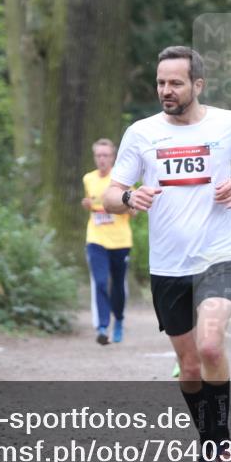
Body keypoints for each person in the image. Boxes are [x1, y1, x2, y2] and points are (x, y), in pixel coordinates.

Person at [103, 45, 231, 462]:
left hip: (218, 253)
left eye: (175, 82)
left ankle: (224, 442)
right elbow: (111, 192)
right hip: (168, 264)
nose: (166, 90)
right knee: (191, 367)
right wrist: (127, 198)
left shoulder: (228, 123)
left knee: (211, 346)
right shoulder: (141, 133)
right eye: (160, 82)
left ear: (198, 85)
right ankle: (209, 443)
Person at [82, 138, 133, 345]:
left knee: (118, 286)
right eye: (98, 155)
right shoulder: (88, 179)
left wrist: (119, 205)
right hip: (96, 239)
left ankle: (118, 320)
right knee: (101, 282)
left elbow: (134, 209)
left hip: (120, 241)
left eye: (106, 155)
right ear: (94, 157)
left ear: (113, 157)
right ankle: (103, 327)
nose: (102, 159)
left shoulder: (122, 179)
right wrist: (88, 205)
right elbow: (91, 203)